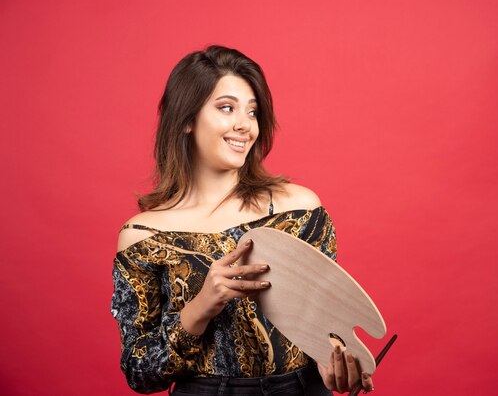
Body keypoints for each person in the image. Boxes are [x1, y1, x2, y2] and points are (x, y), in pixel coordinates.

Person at [110, 45, 375, 395]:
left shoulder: (299, 210)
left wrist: (333, 363)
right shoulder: (144, 236)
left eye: (252, 112)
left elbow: (324, 320)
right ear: (187, 119)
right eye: (226, 108)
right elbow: (140, 372)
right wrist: (202, 305)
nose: (244, 125)